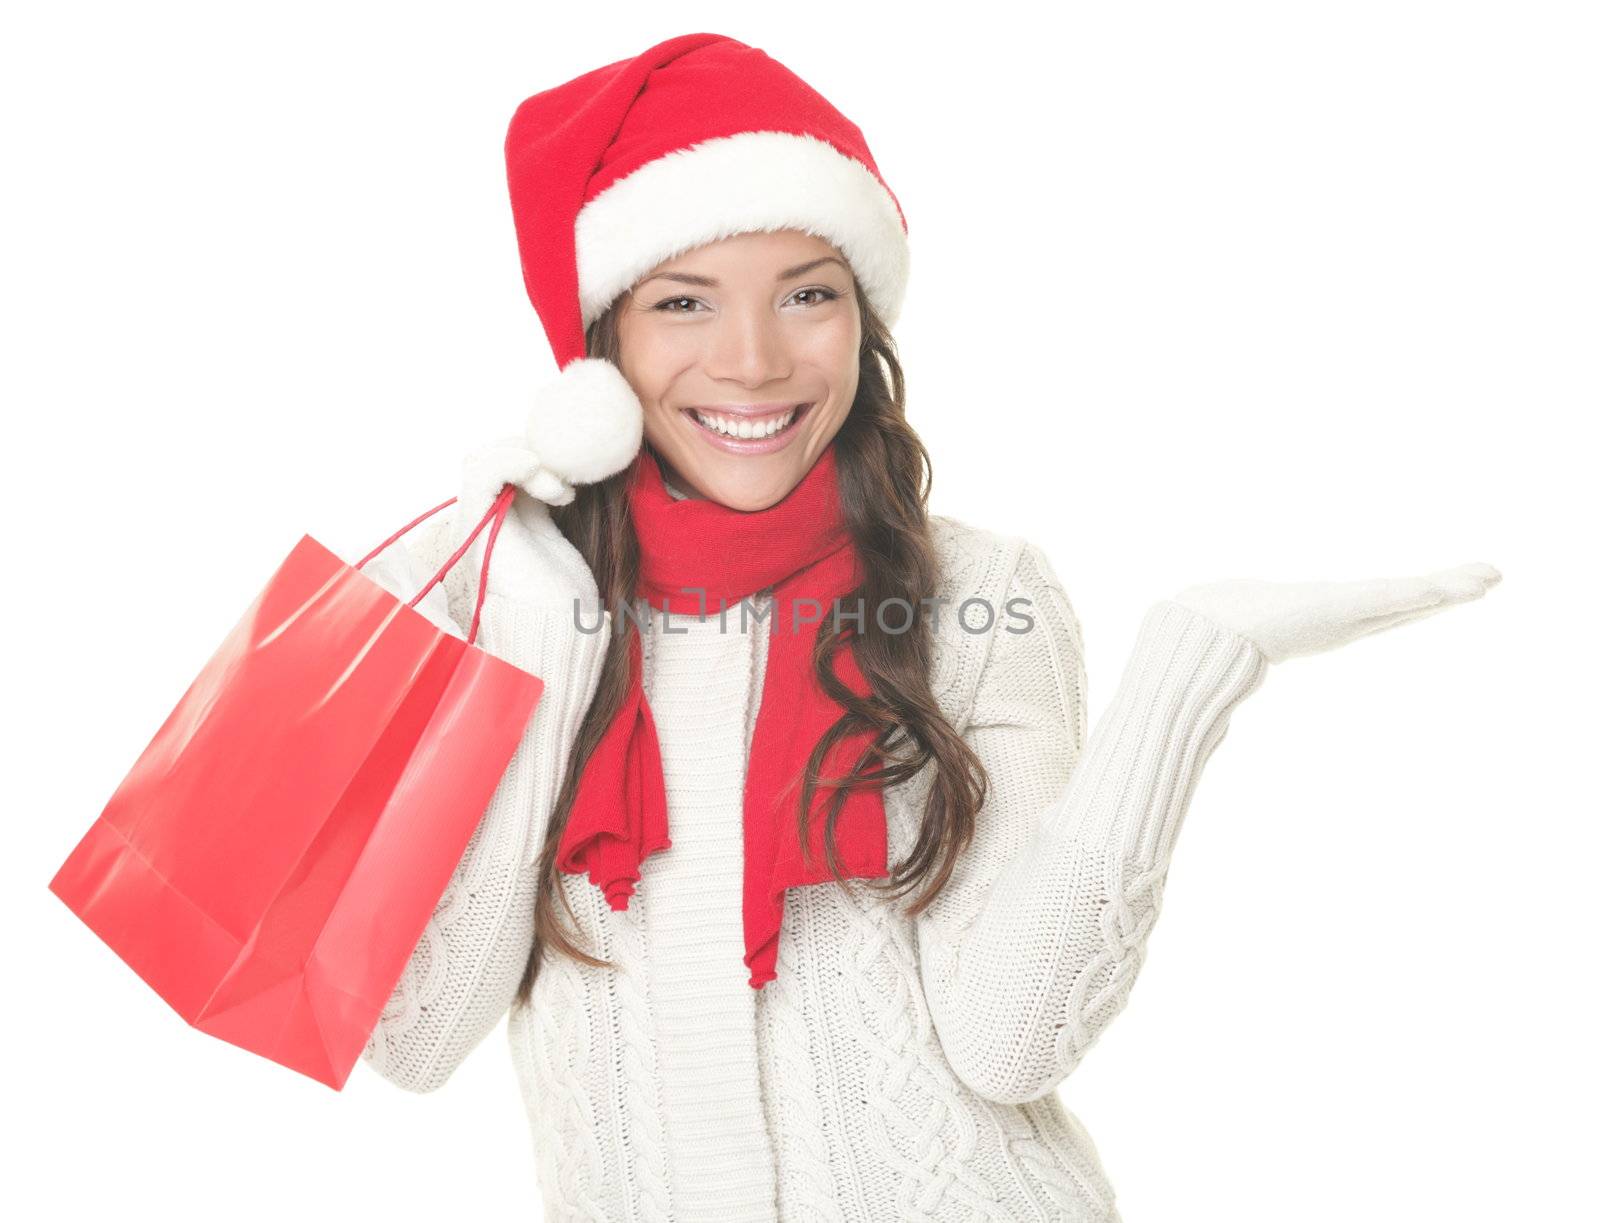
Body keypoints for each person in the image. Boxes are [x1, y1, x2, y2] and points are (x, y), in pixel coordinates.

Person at [357, 33, 1500, 1223]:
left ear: (865, 321)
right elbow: (418, 1038)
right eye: (683, 302)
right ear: (598, 352)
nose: (752, 361)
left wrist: (1189, 666)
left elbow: (1012, 1039)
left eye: (808, 293)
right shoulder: (502, 603)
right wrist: (536, 659)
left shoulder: (976, 596)